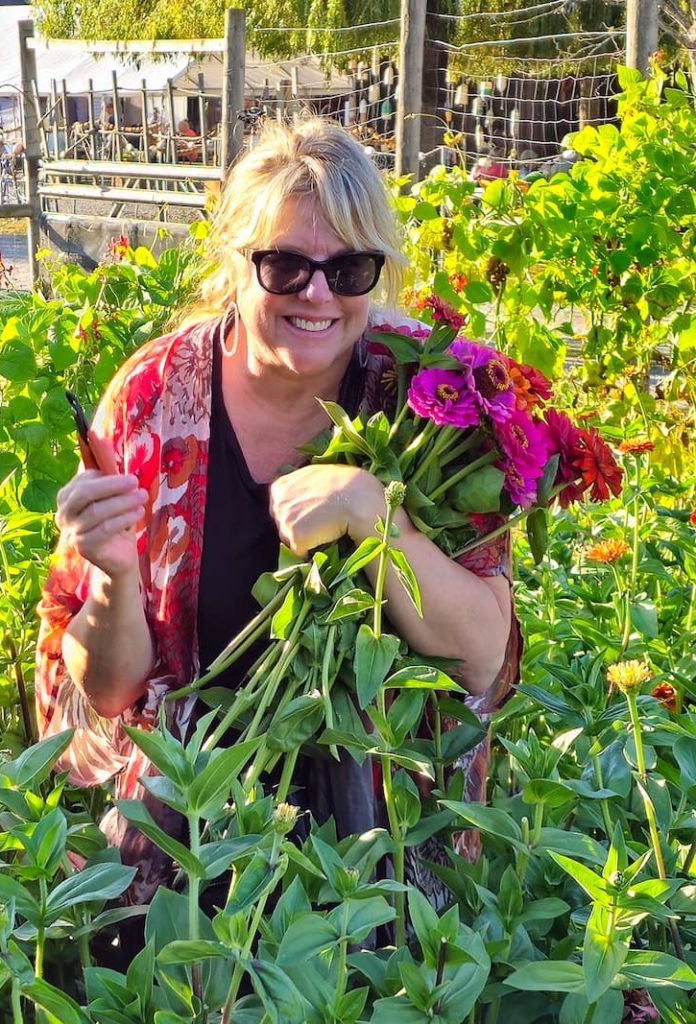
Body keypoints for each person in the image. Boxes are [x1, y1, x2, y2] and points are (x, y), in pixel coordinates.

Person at [35, 117, 520, 932]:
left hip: (380, 858)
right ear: (234, 263)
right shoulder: (153, 400)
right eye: (285, 264)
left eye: (350, 267)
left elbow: (479, 657)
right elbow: (111, 689)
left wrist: (377, 517)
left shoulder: (431, 394)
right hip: (187, 853)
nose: (319, 293)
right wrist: (115, 576)